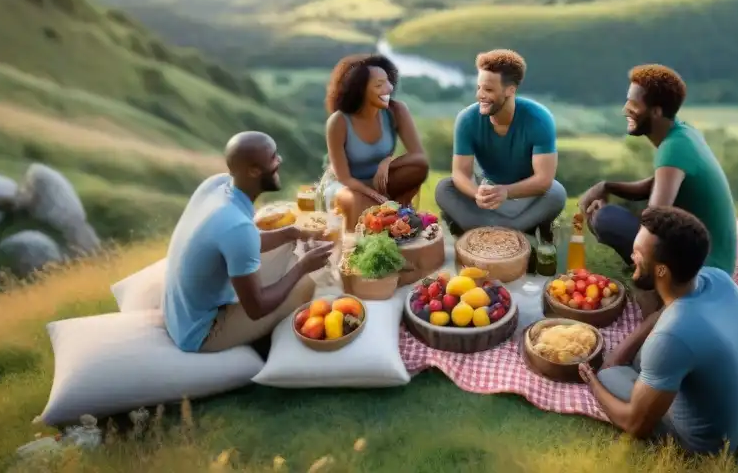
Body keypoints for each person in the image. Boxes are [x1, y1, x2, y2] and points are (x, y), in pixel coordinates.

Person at [579, 205, 738, 456]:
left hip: (707, 447)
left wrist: (592, 381)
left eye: (637, 253)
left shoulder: (671, 335)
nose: (632, 257)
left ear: (661, 271)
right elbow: (667, 318)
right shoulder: (718, 279)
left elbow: (635, 424)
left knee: (608, 375)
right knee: (645, 355)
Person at [163, 131, 334, 353]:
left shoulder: (216, 185)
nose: (279, 160)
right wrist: (303, 268)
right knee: (309, 281)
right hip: (201, 331)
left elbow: (242, 241)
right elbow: (257, 308)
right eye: (273, 157)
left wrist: (292, 233)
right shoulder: (237, 226)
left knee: (291, 247)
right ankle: (270, 345)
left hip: (181, 313)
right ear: (253, 171)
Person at [579, 64, 737, 284]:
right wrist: (607, 187)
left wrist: (599, 219)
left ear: (656, 111)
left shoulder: (672, 149)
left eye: (634, 104)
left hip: (706, 270)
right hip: (715, 257)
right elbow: (656, 184)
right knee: (624, 210)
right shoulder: (683, 133)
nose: (625, 109)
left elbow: (654, 222)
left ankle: (652, 281)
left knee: (606, 219)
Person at [435, 49, 566, 241]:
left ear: (510, 90)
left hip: (524, 194)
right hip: (487, 191)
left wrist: (506, 192)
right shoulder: (467, 119)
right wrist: (478, 194)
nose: (480, 95)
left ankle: (481, 230)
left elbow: (543, 180)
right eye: (479, 87)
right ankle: (515, 230)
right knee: (444, 188)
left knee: (556, 193)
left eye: (488, 90)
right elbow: (460, 173)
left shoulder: (539, 118)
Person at [320, 54, 430, 230]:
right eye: (379, 85)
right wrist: (371, 193)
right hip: (348, 185)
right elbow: (344, 177)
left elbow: (419, 157)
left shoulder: (396, 110)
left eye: (388, 81)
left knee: (418, 168)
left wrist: (388, 162)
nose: (388, 88)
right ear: (360, 91)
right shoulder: (339, 121)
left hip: (379, 181)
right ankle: (359, 242)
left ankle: (398, 218)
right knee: (360, 206)